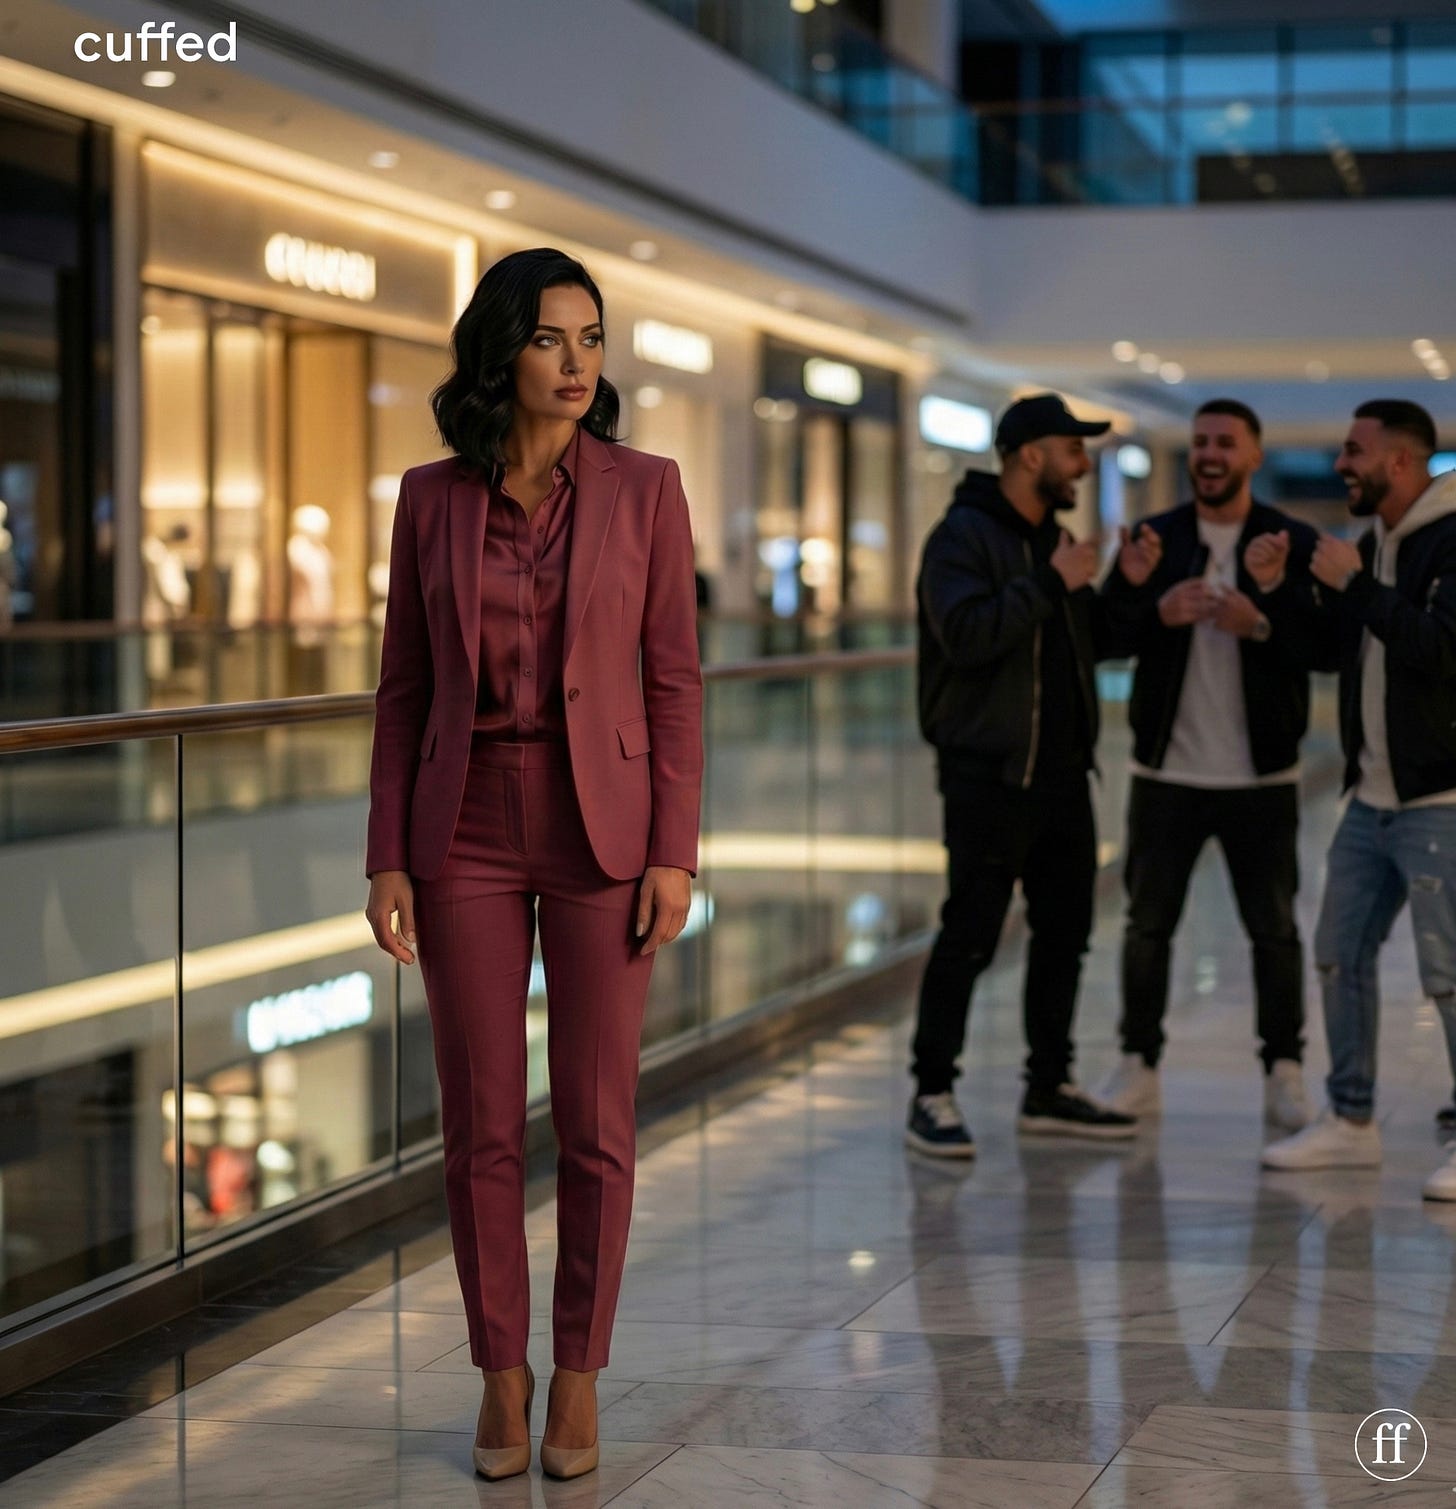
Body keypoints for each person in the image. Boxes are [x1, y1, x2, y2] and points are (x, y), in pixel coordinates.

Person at [364, 248, 703, 1479]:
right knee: (480, 1126)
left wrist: (673, 850)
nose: (575, 363)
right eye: (551, 338)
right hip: (462, 825)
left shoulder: (646, 489)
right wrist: (387, 855)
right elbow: (404, 690)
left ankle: (579, 1377)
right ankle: (499, 1376)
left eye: (591, 339)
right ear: (501, 349)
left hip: (602, 827)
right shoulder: (429, 498)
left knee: (599, 1123)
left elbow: (673, 680)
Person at [906, 393, 1163, 1156]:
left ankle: (1049, 1085)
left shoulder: (1056, 541)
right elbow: (965, 635)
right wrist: (1052, 582)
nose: (1081, 464)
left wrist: (1127, 585)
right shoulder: (960, 538)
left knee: (1064, 934)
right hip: (988, 774)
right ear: (1030, 455)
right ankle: (931, 1091)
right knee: (971, 934)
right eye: (1072, 449)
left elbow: (1089, 643)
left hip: (1061, 775)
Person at [1094, 400, 1319, 1131]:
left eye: (1225, 442)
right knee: (1147, 927)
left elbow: (1326, 646)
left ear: (1254, 455)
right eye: (1199, 443)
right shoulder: (1155, 538)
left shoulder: (1289, 540)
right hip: (1167, 775)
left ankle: (1284, 1069)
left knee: (1274, 931)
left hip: (1263, 778)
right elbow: (1101, 637)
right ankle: (1138, 1066)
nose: (1210, 454)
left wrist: (1261, 620)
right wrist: (1151, 608)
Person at [1252, 401, 1456, 1201]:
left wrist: (1358, 586)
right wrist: (1277, 592)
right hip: (1370, 799)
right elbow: (1337, 651)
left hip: (1441, 797)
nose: (1341, 464)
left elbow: (1443, 651)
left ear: (1400, 461)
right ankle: (1350, 1118)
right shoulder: (1372, 544)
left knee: (1448, 972)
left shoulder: (1448, 540)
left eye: (1353, 451)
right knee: (1339, 951)